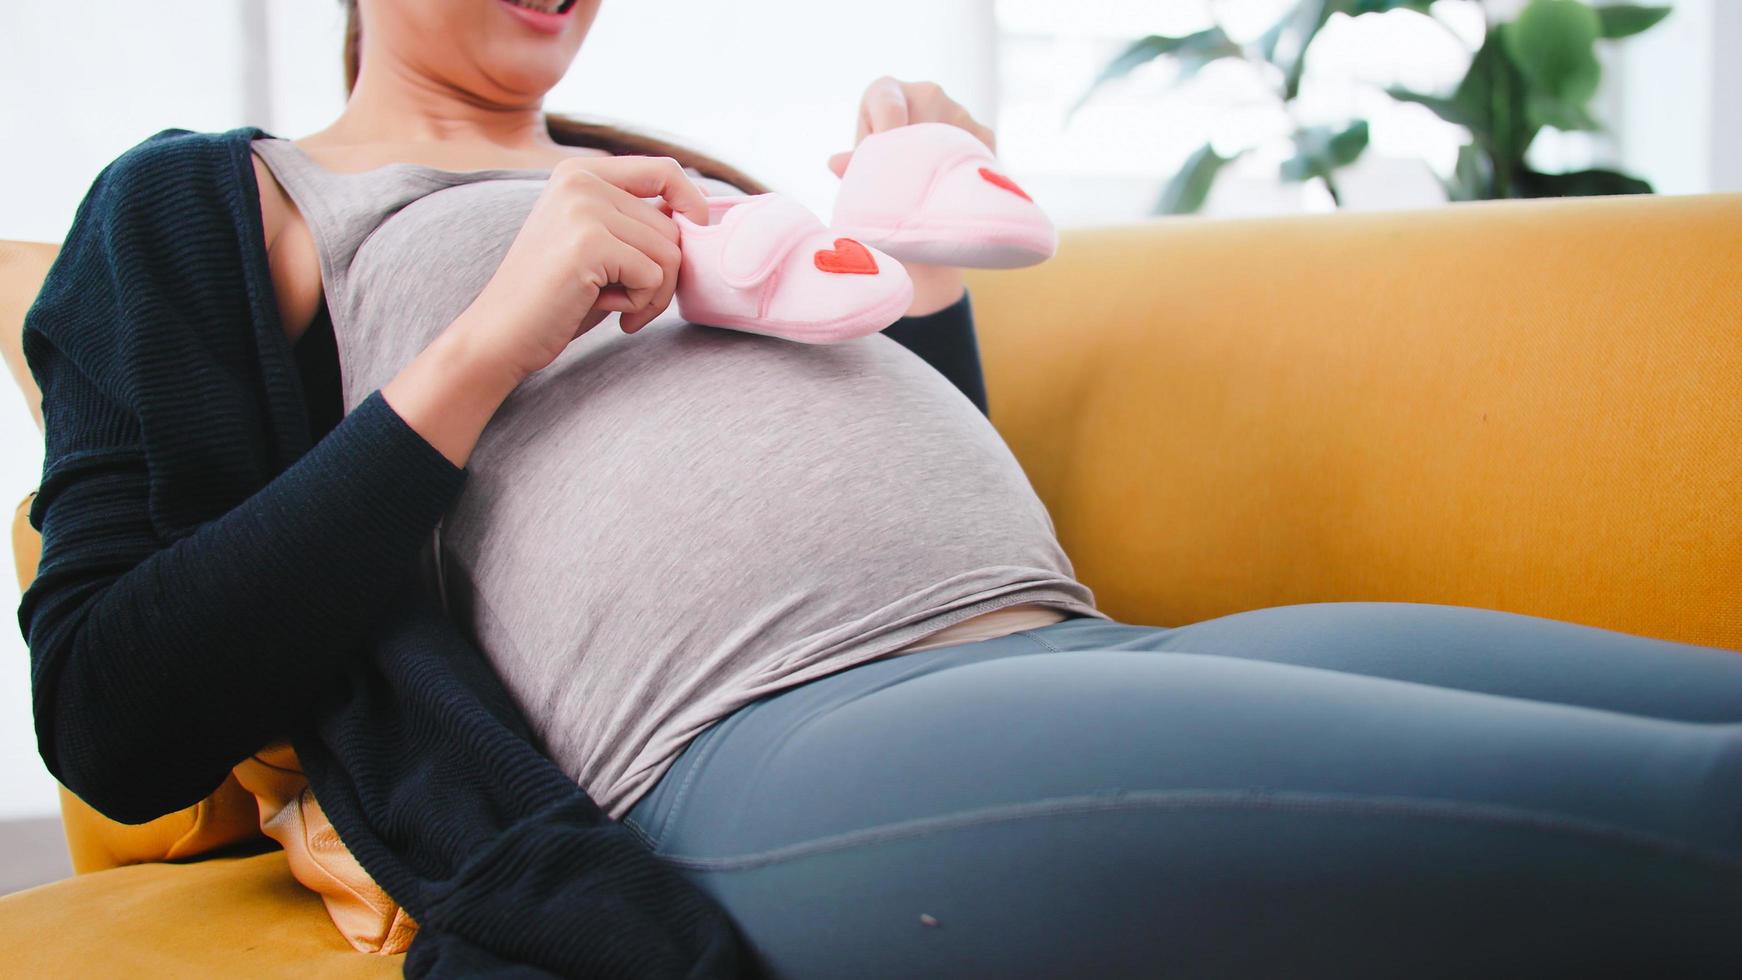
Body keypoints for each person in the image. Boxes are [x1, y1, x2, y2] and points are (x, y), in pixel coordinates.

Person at [17, 0, 1742, 976]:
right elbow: (112, 704)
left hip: (1069, 650)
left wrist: (923, 246)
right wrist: (485, 340)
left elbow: (884, 446)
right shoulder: (204, 208)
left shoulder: (669, 168)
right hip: (770, 740)